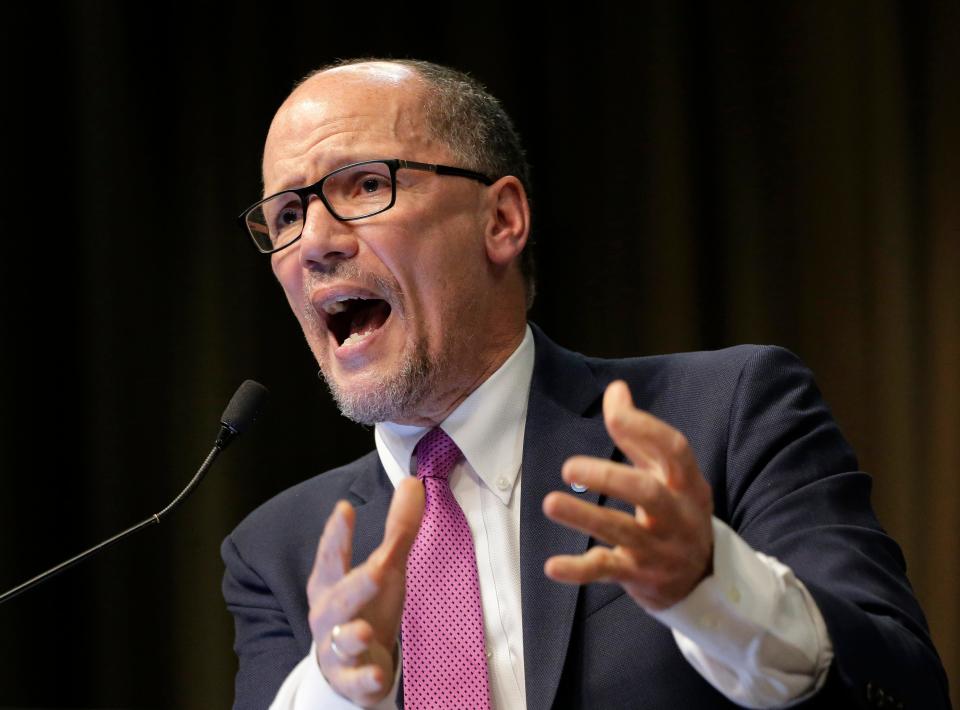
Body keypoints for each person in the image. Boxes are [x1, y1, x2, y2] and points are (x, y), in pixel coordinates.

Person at [222, 58, 949, 709]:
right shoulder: (279, 552)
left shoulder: (725, 415)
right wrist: (334, 690)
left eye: (366, 185)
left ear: (501, 220)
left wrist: (713, 588)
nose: (313, 243)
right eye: (286, 214)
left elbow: (905, 687)